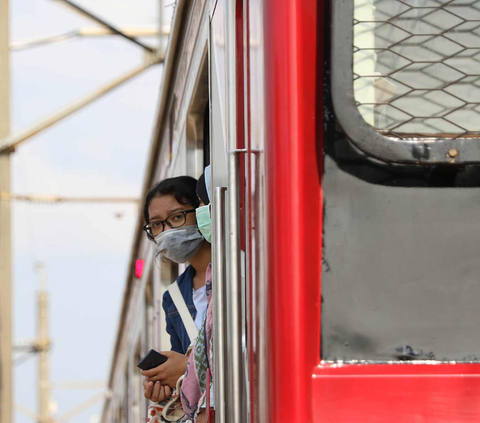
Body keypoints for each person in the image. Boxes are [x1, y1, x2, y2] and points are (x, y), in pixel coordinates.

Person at [141, 176, 212, 403]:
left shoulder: (238, 272)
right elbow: (182, 369)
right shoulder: (173, 298)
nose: (167, 230)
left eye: (177, 217)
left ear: (201, 212)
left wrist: (188, 368)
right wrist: (165, 387)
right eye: (157, 224)